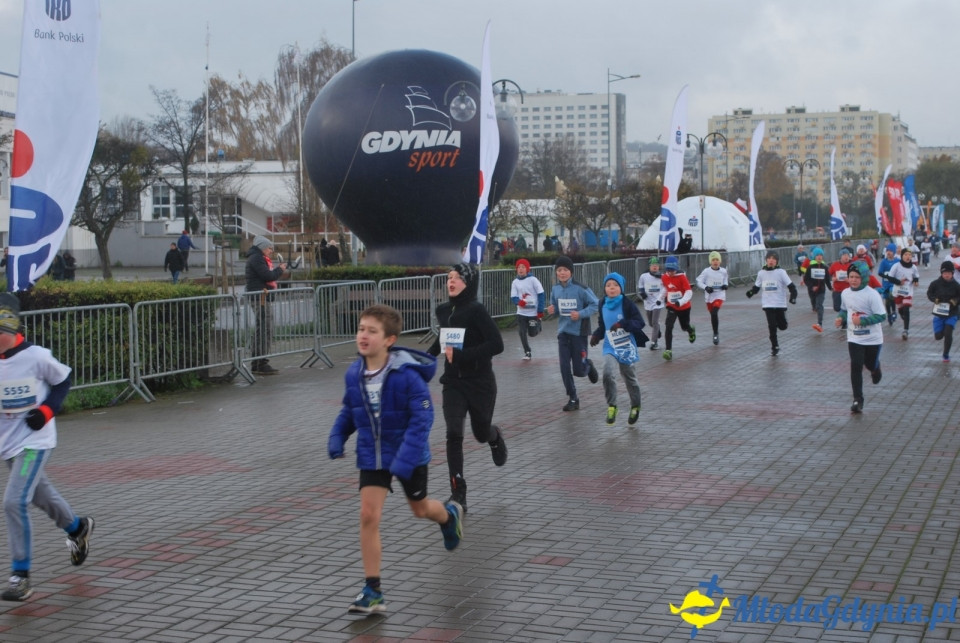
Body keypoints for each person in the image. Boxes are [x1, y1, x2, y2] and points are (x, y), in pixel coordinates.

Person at [328, 304, 462, 614]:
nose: (363, 335)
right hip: (372, 455)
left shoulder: (407, 377)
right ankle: (373, 590)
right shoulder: (354, 373)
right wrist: (337, 436)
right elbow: (350, 409)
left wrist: (405, 459)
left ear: (390, 339)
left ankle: (447, 516)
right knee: (368, 515)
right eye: (361, 329)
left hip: (408, 455)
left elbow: (422, 421)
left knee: (420, 508)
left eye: (371, 331)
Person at [0, 293, 94, 601]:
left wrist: (46, 412)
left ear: (12, 331)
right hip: (9, 446)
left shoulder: (36, 357)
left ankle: (20, 575)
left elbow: (63, 380)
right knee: (40, 495)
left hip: (34, 443)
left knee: (14, 502)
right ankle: (77, 528)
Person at [427, 263, 507, 515]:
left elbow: (497, 344)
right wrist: (421, 360)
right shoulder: (444, 310)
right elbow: (443, 340)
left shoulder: (477, 311)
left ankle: (495, 437)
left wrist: (463, 355)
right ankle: (458, 491)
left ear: (469, 283)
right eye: (449, 277)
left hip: (480, 382)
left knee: (480, 432)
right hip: (453, 383)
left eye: (458, 278)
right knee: (453, 433)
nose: (451, 281)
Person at [589, 273, 645, 427]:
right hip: (610, 345)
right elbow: (603, 326)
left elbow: (639, 323)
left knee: (629, 378)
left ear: (621, 288)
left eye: (615, 285)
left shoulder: (627, 304)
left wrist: (623, 324)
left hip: (626, 346)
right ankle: (612, 406)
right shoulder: (602, 304)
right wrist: (596, 335)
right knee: (607, 372)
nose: (611, 288)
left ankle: (635, 406)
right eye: (608, 285)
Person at [546, 256, 599, 410]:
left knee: (579, 370)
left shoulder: (581, 288)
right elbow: (556, 309)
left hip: (579, 333)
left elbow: (596, 304)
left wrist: (581, 314)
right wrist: (553, 310)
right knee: (564, 367)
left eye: (565, 270)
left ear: (571, 272)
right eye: (559, 270)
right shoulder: (555, 289)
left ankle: (588, 365)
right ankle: (573, 398)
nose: (562, 273)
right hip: (563, 332)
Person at [835, 262, 886, 413]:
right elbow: (845, 310)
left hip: (873, 338)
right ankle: (858, 399)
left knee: (869, 365)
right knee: (856, 366)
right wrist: (840, 318)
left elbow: (882, 316)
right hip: (854, 337)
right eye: (851, 277)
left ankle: (875, 368)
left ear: (863, 278)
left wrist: (863, 321)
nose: (853, 280)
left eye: (857, 277)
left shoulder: (872, 294)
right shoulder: (845, 293)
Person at [245, 235, 288, 375]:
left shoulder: (257, 258)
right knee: (265, 328)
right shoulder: (257, 258)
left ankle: (258, 361)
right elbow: (267, 276)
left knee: (262, 328)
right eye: (270, 248)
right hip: (260, 298)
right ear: (263, 247)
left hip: (262, 297)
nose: (271, 251)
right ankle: (260, 362)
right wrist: (280, 270)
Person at [746, 250, 798, 356]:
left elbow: (792, 287)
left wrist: (793, 297)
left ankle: (782, 323)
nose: (771, 260)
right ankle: (775, 346)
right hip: (768, 304)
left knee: (783, 326)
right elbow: (756, 287)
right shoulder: (761, 273)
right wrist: (751, 292)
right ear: (766, 260)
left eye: (774, 259)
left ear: (777, 261)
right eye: (769, 258)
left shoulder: (781, 272)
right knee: (772, 326)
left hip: (779, 304)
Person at [660, 255, 696, 361]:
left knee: (684, 326)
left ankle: (690, 330)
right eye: (668, 270)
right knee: (668, 326)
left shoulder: (682, 277)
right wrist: (660, 299)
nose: (670, 273)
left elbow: (689, 292)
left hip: (684, 306)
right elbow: (665, 288)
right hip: (672, 306)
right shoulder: (665, 277)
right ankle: (668, 350)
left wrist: (681, 302)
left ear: (676, 268)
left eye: (672, 270)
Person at [510, 258, 545, 360]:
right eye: (519, 267)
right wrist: (518, 302)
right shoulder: (515, 282)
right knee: (521, 332)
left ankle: (538, 325)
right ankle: (527, 352)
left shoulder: (533, 280)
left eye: (523, 267)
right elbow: (513, 296)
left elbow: (541, 294)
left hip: (533, 312)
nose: (521, 269)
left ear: (527, 269)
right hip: (521, 312)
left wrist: (540, 311)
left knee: (532, 333)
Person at [927, 261, 960, 362]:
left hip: (952, 313)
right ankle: (941, 332)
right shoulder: (935, 283)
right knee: (938, 336)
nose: (947, 275)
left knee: (948, 332)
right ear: (941, 273)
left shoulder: (956, 285)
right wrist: (934, 299)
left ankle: (946, 354)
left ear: (952, 274)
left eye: (949, 273)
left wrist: (954, 301)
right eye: (945, 273)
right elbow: (929, 293)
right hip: (939, 313)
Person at [886, 248, 921, 340]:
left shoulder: (913, 267)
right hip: (897, 292)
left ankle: (906, 330)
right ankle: (903, 317)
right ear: (902, 256)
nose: (908, 256)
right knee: (901, 311)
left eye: (909, 255)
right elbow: (890, 278)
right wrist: (898, 281)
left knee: (906, 309)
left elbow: (916, 276)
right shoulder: (896, 266)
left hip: (908, 291)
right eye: (905, 255)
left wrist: (916, 281)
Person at [695, 251, 729, 345]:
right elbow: (698, 281)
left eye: (717, 259)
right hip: (709, 297)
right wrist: (706, 287)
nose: (715, 262)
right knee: (712, 314)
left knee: (714, 312)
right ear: (710, 261)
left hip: (719, 295)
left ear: (720, 261)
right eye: (713, 260)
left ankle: (715, 334)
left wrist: (725, 285)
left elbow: (725, 280)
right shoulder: (706, 271)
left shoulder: (723, 271)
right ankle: (715, 331)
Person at [638, 257, 665, 350]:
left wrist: (661, 298)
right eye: (653, 265)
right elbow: (640, 286)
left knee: (654, 322)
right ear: (649, 266)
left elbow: (667, 287)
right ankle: (658, 331)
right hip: (648, 303)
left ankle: (654, 342)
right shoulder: (644, 276)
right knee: (651, 323)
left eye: (656, 265)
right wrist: (642, 293)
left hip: (658, 303)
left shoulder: (662, 277)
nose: (655, 267)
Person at [802, 246, 832, 332]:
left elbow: (827, 279)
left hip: (821, 290)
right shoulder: (810, 267)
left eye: (821, 255)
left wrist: (830, 288)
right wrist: (811, 286)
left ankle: (819, 323)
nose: (819, 257)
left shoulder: (824, 267)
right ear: (814, 256)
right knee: (814, 302)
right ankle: (814, 307)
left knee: (819, 305)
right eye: (817, 255)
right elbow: (806, 279)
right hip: (812, 290)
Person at [877, 242, 900, 324]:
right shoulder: (884, 262)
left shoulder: (897, 261)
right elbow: (879, 273)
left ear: (894, 252)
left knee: (892, 296)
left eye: (890, 251)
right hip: (886, 284)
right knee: (887, 300)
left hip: (893, 284)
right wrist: (886, 276)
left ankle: (894, 311)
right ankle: (889, 314)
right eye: (887, 251)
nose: (888, 252)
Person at [829, 247, 855, 319]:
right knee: (837, 307)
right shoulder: (834, 265)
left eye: (848, 255)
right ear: (840, 256)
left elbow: (856, 276)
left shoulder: (851, 265)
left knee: (847, 307)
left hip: (848, 290)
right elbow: (828, 275)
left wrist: (849, 280)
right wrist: (832, 279)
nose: (846, 257)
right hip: (837, 290)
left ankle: (844, 321)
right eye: (844, 255)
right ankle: (843, 318)